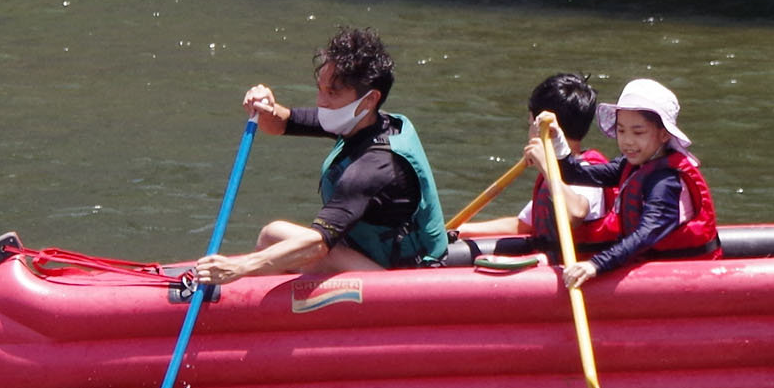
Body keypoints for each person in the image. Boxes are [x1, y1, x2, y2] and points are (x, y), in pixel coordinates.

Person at [189, 26, 453, 286]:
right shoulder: (365, 122)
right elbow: (282, 123)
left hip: (404, 279)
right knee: (272, 235)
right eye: (320, 89)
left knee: (296, 250)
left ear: (370, 99)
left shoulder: (373, 168)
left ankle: (260, 310)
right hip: (370, 254)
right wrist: (265, 107)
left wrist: (239, 266)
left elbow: (318, 243)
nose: (321, 101)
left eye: (332, 93)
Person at [551, 78, 721, 287]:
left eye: (638, 132)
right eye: (621, 131)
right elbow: (573, 174)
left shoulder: (666, 182)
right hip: (648, 269)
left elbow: (645, 234)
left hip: (683, 280)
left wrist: (595, 265)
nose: (627, 141)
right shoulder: (632, 165)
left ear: (664, 134)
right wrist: (557, 140)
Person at [461, 72, 606, 254]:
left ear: (545, 129)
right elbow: (523, 225)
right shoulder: (557, 173)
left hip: (574, 269)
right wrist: (460, 231)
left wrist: (546, 167)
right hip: (545, 259)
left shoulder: (586, 172)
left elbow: (575, 213)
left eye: (530, 124)